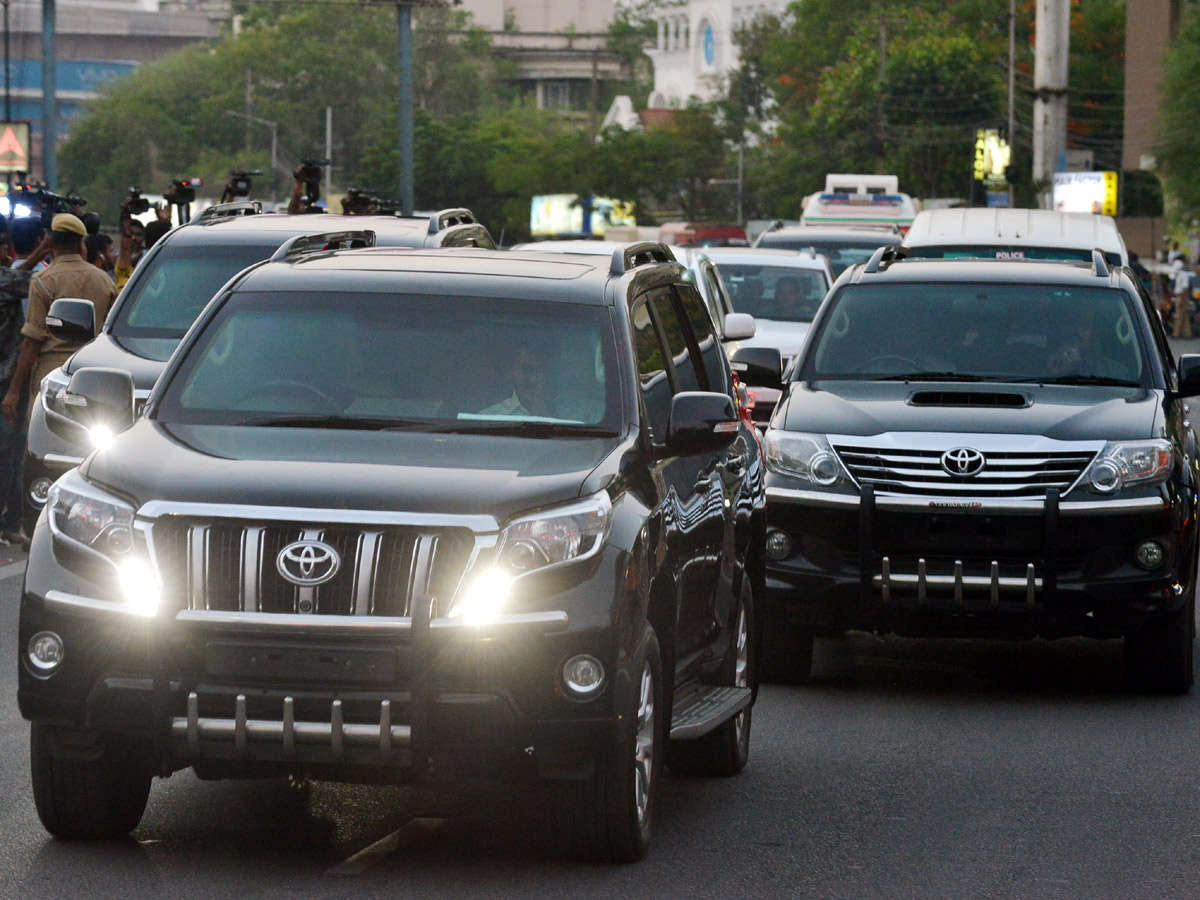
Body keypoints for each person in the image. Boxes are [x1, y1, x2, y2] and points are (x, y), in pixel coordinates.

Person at [1, 213, 117, 425]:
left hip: (51, 375)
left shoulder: (43, 280)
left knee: (44, 438)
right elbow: (111, 333)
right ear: (81, 243)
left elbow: (32, 340)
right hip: (92, 371)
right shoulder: (104, 280)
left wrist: (14, 391)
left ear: (51, 242)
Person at [480, 345, 551, 417]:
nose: (532, 380)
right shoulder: (491, 417)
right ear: (510, 371)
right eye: (526, 370)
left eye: (538, 371)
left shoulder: (560, 412)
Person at [1172, 257, 1194, 339]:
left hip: (1181, 296)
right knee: (1185, 316)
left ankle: (1176, 333)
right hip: (1180, 296)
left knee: (1178, 316)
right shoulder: (1179, 275)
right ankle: (1188, 333)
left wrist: (1182, 299)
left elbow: (1185, 289)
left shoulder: (1183, 275)